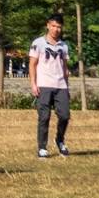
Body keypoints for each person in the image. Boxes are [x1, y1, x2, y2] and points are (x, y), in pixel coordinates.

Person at [29, 15, 72, 159]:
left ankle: (60, 140)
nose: (56, 29)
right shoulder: (38, 43)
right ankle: (42, 147)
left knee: (65, 116)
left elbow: (65, 67)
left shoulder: (64, 46)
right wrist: (33, 84)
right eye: (53, 26)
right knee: (44, 117)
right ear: (48, 25)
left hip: (61, 86)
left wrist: (67, 86)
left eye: (59, 27)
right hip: (44, 85)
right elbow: (32, 65)